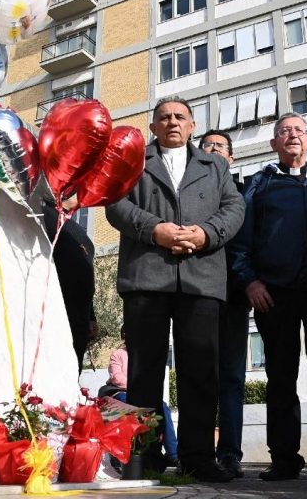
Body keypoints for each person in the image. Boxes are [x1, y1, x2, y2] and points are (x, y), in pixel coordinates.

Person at [105, 97, 245, 482]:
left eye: (179, 117)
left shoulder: (215, 165)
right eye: (163, 117)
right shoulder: (135, 160)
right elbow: (115, 204)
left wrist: (205, 234)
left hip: (202, 279)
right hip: (147, 276)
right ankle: (144, 458)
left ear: (193, 125)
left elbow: (234, 209)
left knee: (201, 372)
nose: (172, 122)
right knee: (144, 372)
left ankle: (198, 458)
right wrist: (156, 230)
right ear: (152, 127)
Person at [230, 113, 307, 481]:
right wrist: (250, 281)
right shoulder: (258, 186)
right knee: (280, 377)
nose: (292, 136)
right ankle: (284, 457)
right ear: (273, 145)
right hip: (274, 295)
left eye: (299, 131)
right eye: (284, 131)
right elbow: (240, 241)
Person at [197, 129, 248, 479]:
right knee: (198, 376)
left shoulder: (245, 194)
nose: (214, 149)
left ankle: (229, 452)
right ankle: (197, 452)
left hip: (233, 297)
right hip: (197, 297)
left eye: (221, 146)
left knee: (231, 377)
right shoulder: (190, 194)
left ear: (231, 158)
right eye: (208, 145)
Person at [105, 325, 178, 465]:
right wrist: (137, 386)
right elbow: (117, 378)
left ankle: (173, 454)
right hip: (122, 393)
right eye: (126, 333)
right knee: (126, 403)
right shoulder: (118, 354)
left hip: (142, 392)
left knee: (162, 407)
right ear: (123, 336)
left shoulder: (144, 356)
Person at [42, 200, 97, 374]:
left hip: (80, 314)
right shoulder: (43, 214)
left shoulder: (77, 229)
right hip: (56, 309)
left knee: (74, 367)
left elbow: (87, 273)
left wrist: (91, 316)